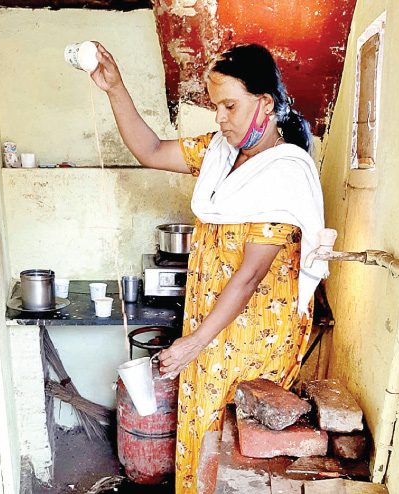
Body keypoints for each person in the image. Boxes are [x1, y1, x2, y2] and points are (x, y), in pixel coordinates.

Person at [89, 42, 328, 493]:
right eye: (215, 106)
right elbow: (151, 150)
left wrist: (192, 344)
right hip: (208, 326)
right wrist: (115, 88)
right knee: (199, 436)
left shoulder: (284, 175)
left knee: (231, 453)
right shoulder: (220, 153)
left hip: (251, 340)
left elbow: (250, 276)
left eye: (229, 106)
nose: (220, 118)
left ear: (265, 103)